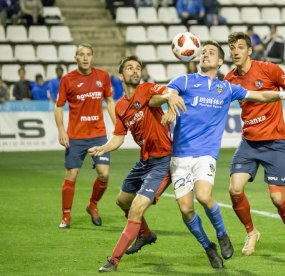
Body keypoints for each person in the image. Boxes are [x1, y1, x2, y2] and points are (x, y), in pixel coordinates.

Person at [167, 40, 285, 269]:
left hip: (230, 150)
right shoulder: (185, 80)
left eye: (211, 52)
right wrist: (169, 97)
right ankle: (243, 235)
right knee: (217, 196)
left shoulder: (226, 87)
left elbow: (259, 95)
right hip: (187, 154)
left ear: (220, 61)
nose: (205, 55)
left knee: (275, 198)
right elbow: (165, 92)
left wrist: (284, 96)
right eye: (203, 52)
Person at [224, 32, 285, 257]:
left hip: (275, 142)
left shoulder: (269, 69)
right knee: (235, 189)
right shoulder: (229, 79)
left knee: (277, 197)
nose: (235, 51)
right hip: (248, 142)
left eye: (239, 47)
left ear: (250, 50)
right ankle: (251, 232)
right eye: (232, 47)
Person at [89, 56, 186, 273]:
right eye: (130, 68)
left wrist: (170, 102)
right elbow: (118, 137)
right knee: (122, 201)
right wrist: (103, 148)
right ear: (121, 76)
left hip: (163, 160)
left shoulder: (147, 89)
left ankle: (113, 261)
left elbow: (169, 91)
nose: (135, 71)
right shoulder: (121, 106)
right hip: (144, 161)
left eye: (138, 68)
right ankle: (146, 234)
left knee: (136, 208)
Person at [54, 43, 116, 229]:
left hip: (98, 135)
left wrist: (118, 125)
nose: (85, 57)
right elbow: (58, 106)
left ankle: (92, 205)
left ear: (92, 57)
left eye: (88, 54)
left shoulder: (103, 76)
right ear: (76, 57)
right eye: (81, 54)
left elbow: (110, 100)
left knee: (104, 174)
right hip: (76, 136)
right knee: (72, 174)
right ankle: (66, 216)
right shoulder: (67, 79)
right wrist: (61, 130)